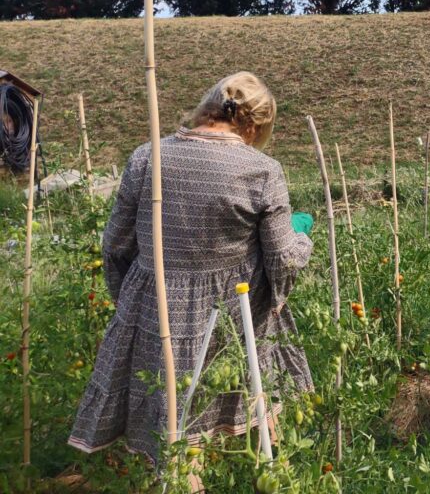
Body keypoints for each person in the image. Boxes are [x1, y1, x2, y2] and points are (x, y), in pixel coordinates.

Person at [69, 72, 314, 481]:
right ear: (252, 125)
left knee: (175, 422)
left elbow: (114, 244)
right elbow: (284, 258)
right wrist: (302, 236)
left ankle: (186, 484)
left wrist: (133, 294)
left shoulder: (147, 157)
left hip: (158, 312)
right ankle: (273, 481)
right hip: (234, 313)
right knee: (256, 395)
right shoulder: (261, 170)